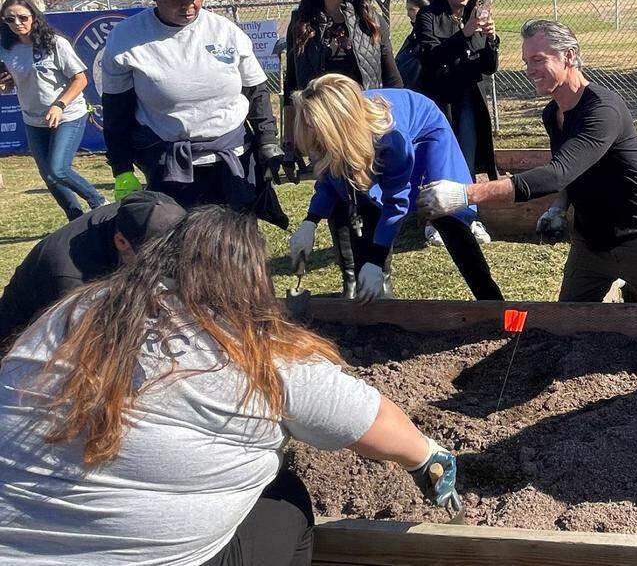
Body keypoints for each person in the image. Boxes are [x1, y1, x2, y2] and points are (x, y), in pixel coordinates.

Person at [0, 206, 461, 566]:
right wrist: (428, 458)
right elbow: (374, 422)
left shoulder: (77, 310)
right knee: (286, 500)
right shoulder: (254, 347)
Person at [418, 19, 637, 304]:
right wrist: (559, 208)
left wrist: (463, 194)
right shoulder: (553, 114)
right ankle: (622, 287)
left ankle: (632, 285)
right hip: (590, 244)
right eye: (526, 62)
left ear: (569, 56)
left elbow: (557, 174)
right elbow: (572, 172)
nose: (529, 70)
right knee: (566, 326)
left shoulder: (603, 109)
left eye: (538, 59)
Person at [101, 0, 287, 219]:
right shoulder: (126, 39)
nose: (188, 5)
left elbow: (256, 91)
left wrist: (268, 141)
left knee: (236, 245)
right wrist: (121, 169)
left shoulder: (226, 32)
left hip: (233, 158)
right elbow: (116, 111)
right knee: (179, 246)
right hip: (169, 166)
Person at [288, 74, 502, 301]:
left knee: (443, 209)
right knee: (362, 201)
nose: (310, 132)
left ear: (335, 125)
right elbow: (331, 178)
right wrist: (310, 221)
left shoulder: (391, 140)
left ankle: (490, 300)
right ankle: (370, 297)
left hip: (426, 131)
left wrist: (376, 261)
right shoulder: (325, 130)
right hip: (364, 137)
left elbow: (395, 201)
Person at [282, 0, 404, 291]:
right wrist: (290, 144)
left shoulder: (370, 20)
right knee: (335, 198)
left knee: (372, 198)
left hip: (368, 127)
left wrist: (395, 123)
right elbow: (291, 86)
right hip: (323, 128)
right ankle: (350, 277)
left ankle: (380, 273)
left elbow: (391, 78)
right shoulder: (300, 24)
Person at [0, 190, 185, 347]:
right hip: (28, 344)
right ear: (121, 242)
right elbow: (88, 352)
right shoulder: (71, 279)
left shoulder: (139, 211)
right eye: (155, 261)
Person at [0, 0, 106, 220]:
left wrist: (59, 105)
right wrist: (7, 83)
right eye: (10, 19)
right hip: (33, 120)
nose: (17, 23)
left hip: (67, 114)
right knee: (49, 177)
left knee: (58, 169)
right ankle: (76, 219)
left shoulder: (55, 43)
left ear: (34, 17)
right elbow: (13, 80)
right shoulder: (6, 49)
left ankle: (100, 203)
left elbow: (80, 79)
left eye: (22, 17)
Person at [415, 0, 498, 246]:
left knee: (468, 158)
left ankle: (470, 216)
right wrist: (465, 33)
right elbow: (430, 57)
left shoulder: (474, 17)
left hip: (470, 98)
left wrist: (490, 40)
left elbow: (489, 67)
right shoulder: (430, 16)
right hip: (440, 100)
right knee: (438, 159)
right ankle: (435, 222)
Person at [396, 0, 431, 90]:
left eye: (412, 9)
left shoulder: (427, 39)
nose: (408, 14)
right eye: (407, 10)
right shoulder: (413, 37)